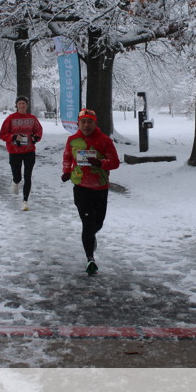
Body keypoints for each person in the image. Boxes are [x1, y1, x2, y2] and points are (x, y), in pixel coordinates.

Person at [61, 108, 121, 275]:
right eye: (83, 122)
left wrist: (100, 163)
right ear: (78, 124)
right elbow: (67, 157)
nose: (86, 125)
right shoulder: (72, 140)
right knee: (87, 223)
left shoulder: (104, 141)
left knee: (97, 223)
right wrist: (66, 172)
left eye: (89, 122)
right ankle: (90, 259)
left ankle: (90, 237)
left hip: (100, 188)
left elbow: (115, 162)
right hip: (81, 187)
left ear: (95, 123)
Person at [0, 96, 43, 210]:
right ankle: (16, 181)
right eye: (20, 104)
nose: (22, 105)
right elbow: (2, 134)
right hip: (15, 151)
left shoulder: (32, 118)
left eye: (24, 103)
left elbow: (39, 131)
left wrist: (35, 137)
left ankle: (25, 201)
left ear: (27, 105)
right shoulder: (11, 119)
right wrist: (13, 137)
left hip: (29, 151)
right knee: (18, 176)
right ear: (16, 105)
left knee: (28, 176)